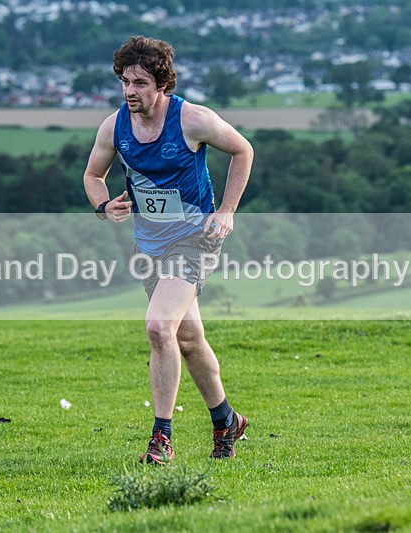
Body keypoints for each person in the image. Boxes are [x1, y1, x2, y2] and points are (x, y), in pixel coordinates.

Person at [83, 35, 254, 464]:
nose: (129, 91)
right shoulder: (114, 126)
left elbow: (242, 149)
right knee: (189, 339)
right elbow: (92, 175)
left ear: (162, 84)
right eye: (125, 81)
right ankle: (226, 421)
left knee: (159, 327)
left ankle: (161, 439)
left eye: (140, 82)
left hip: (195, 239)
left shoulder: (192, 119)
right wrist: (104, 205)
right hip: (150, 246)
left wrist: (228, 210)